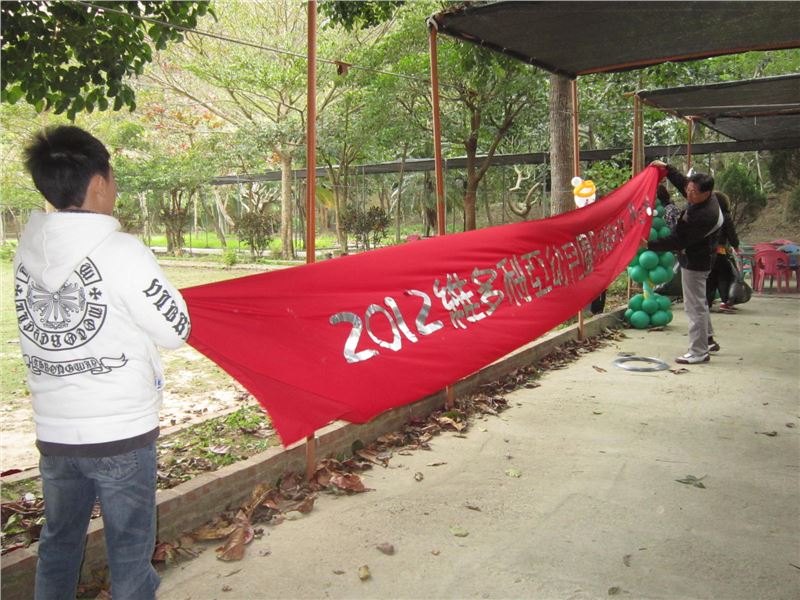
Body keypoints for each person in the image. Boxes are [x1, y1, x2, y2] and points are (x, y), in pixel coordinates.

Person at [14, 126, 191, 599]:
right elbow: (174, 330)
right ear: (97, 183)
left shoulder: (25, 254)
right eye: (112, 177)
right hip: (120, 432)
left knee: (58, 544)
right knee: (130, 554)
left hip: (55, 433)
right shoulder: (122, 251)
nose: (114, 187)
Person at [647, 160, 723, 364]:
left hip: (696, 262)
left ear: (707, 193)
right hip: (699, 257)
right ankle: (707, 340)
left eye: (694, 193)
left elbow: (677, 240)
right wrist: (667, 168)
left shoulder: (703, 215)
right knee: (699, 301)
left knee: (694, 306)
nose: (689, 194)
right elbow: (683, 183)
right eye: (688, 190)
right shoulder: (702, 197)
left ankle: (699, 352)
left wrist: (648, 245)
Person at [706, 192, 741, 313]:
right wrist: (736, 246)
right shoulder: (725, 216)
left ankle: (706, 302)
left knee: (710, 277)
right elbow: (731, 233)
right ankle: (726, 302)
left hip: (707, 252)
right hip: (720, 251)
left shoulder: (707, 215)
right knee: (725, 276)